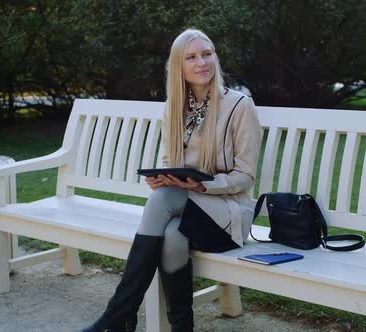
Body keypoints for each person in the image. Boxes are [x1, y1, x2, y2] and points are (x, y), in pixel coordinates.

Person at [82, 28, 262, 332]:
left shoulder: (240, 107)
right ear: (179, 66)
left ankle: (118, 316)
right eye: (191, 57)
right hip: (188, 208)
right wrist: (164, 179)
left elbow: (245, 177)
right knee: (172, 236)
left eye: (207, 54)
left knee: (163, 200)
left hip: (230, 216)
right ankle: (181, 327)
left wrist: (202, 185)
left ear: (215, 58)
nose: (201, 62)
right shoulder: (175, 108)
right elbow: (170, 164)